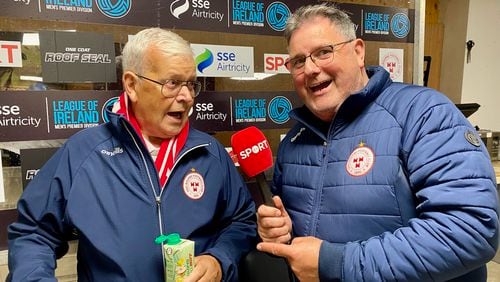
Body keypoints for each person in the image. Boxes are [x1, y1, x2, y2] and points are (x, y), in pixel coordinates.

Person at [256, 3, 499, 282]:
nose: (310, 69)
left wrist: (335, 263)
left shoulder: (424, 113)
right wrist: (278, 230)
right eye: (298, 61)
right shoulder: (295, 140)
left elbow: (469, 231)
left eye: (323, 52)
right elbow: (299, 236)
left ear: (358, 51)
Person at [8, 27, 257, 281]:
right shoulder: (84, 153)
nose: (186, 97)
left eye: (191, 84)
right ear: (132, 85)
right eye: (172, 83)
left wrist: (219, 259)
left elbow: (242, 223)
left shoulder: (210, 153)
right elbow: (33, 233)